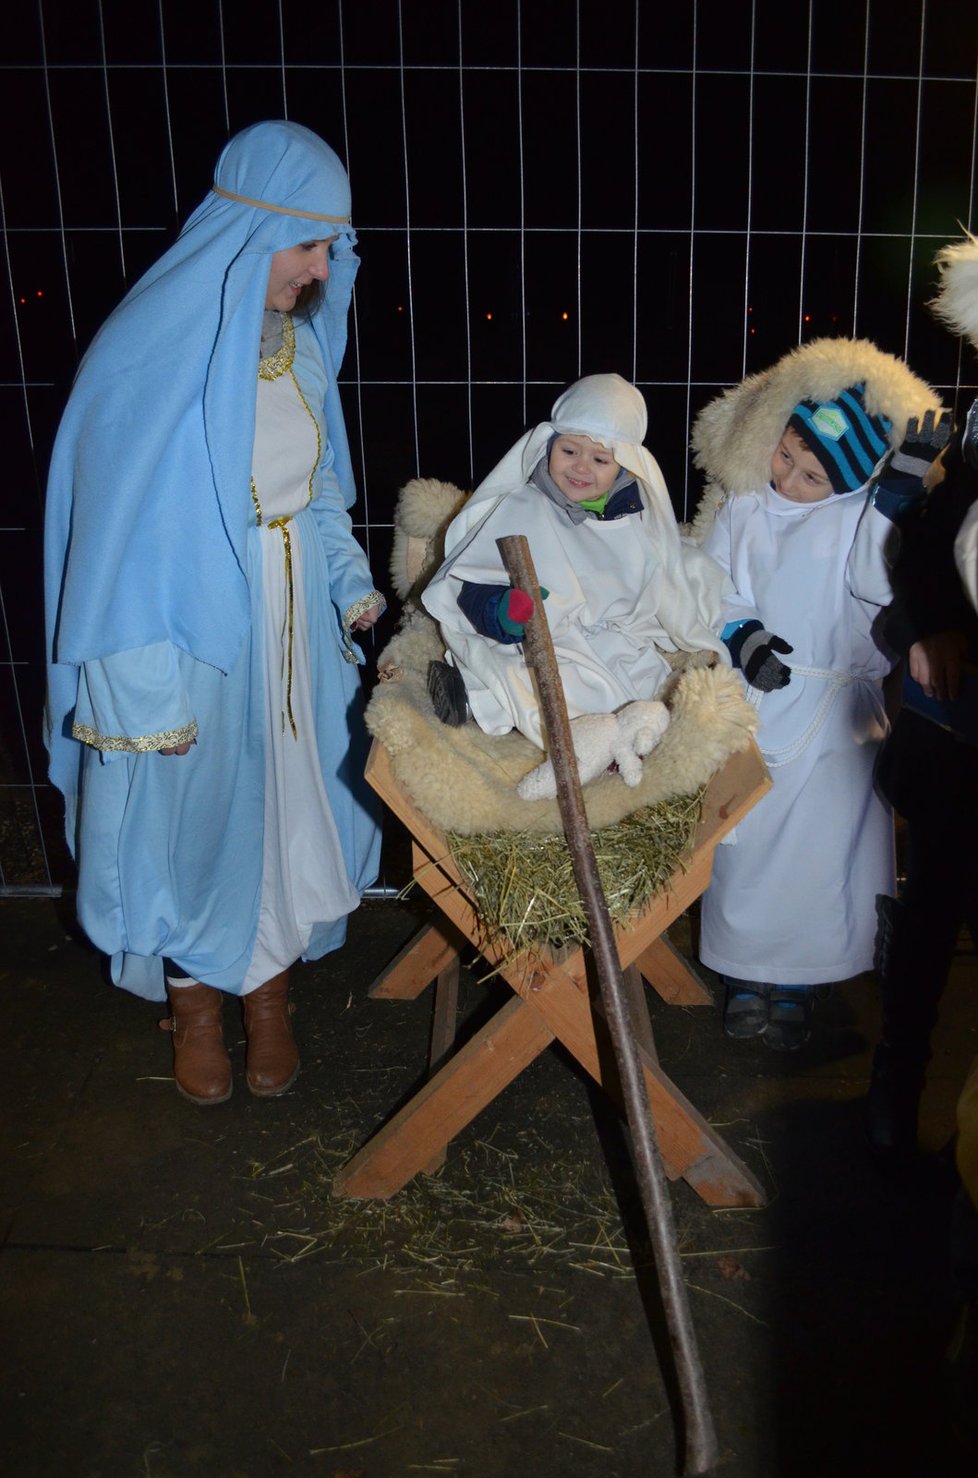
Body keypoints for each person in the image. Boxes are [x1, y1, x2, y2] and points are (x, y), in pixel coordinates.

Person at [43, 121, 385, 1106]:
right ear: (251, 230)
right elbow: (111, 549)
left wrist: (350, 589)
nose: (325, 267)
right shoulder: (153, 359)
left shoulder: (303, 354)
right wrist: (147, 698)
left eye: (332, 245)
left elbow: (318, 496)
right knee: (192, 824)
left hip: (290, 645)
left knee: (283, 811)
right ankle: (197, 1005)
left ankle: (268, 999)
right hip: (190, 644)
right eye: (312, 243)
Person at [687, 339, 945, 1050]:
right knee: (750, 835)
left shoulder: (858, 518)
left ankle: (799, 981)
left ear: (850, 481)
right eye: (787, 457)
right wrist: (742, 636)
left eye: (813, 475)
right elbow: (711, 582)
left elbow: (876, 581)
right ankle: (746, 973)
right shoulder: (745, 507)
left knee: (821, 847)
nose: (792, 480)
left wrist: (896, 496)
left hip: (837, 715)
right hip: (760, 699)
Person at [421, 373, 728, 755]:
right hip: (538, 641)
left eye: (600, 459)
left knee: (643, 690)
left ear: (626, 467)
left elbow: (661, 579)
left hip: (613, 643)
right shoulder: (521, 507)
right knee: (519, 680)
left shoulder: (634, 522)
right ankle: (467, 696)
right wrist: (502, 613)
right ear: (547, 445)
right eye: (569, 451)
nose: (581, 468)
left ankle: (616, 747)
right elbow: (471, 583)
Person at [865, 233, 978, 1163]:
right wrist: (918, 636)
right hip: (952, 748)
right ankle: (893, 1101)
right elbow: (903, 576)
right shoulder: (967, 468)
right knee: (932, 911)